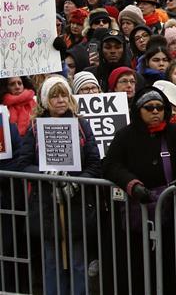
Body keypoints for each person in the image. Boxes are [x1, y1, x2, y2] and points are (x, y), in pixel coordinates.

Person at [103, 87, 176, 293]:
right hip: (138, 214)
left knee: (173, 267)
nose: (155, 112)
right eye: (149, 108)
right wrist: (132, 185)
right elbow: (111, 166)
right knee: (138, 269)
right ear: (138, 110)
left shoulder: (175, 133)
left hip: (171, 213)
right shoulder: (125, 135)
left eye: (160, 107)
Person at [18, 76, 102, 295]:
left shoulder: (82, 125)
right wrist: (47, 174)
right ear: (45, 100)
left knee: (77, 262)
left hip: (76, 205)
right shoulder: (35, 128)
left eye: (64, 95)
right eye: (55, 96)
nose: (60, 100)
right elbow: (23, 164)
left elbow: (95, 162)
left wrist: (76, 181)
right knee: (52, 263)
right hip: (46, 206)